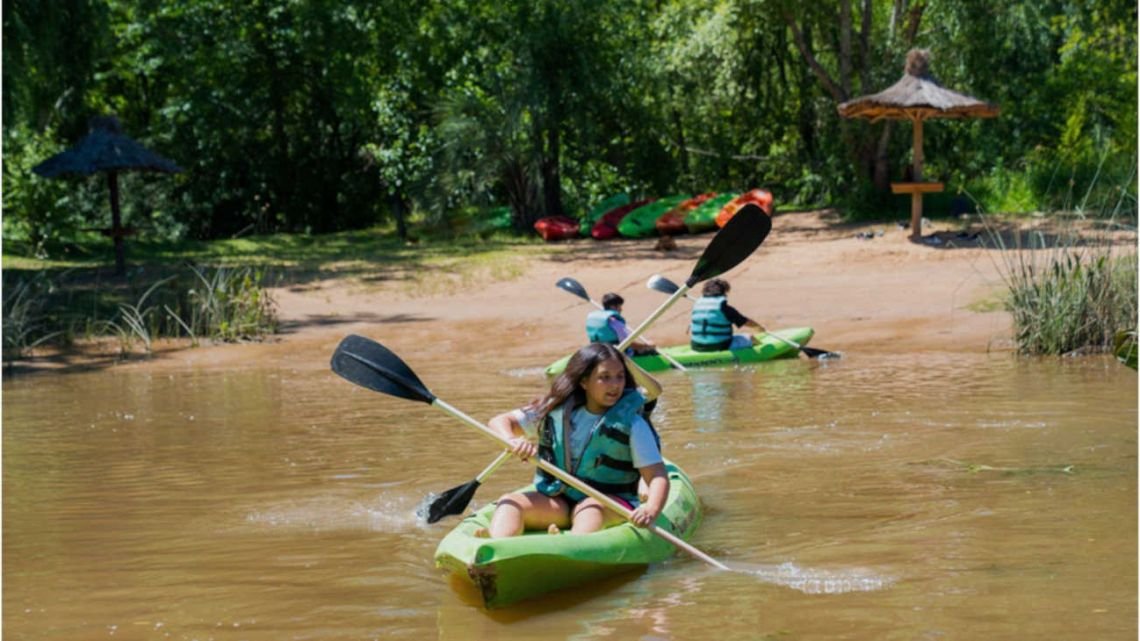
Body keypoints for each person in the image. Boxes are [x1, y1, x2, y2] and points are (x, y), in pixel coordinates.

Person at [476, 343, 669, 538]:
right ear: (584, 382)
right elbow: (499, 421)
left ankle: (564, 549)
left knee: (590, 510)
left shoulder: (632, 424)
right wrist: (512, 440)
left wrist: (651, 509)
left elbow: (656, 476)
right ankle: (494, 550)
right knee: (510, 503)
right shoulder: (555, 411)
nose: (615, 385)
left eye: (620, 376)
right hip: (561, 500)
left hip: (610, 502)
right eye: (605, 377)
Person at [689, 278, 766, 351]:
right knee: (750, 337)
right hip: (721, 345)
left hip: (696, 346)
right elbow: (745, 321)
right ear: (724, 292)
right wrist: (759, 327)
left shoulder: (697, 304)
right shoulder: (724, 308)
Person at [585, 292, 656, 355]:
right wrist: (646, 345)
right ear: (613, 306)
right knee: (650, 351)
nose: (621, 309)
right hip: (615, 353)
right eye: (619, 306)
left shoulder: (597, 318)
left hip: (598, 351)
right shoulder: (616, 322)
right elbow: (628, 343)